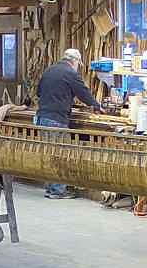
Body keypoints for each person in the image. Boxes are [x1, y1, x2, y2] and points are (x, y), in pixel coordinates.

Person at [35, 48, 102, 199]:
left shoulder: (49, 70)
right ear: (75, 61)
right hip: (56, 119)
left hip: (42, 117)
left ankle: (51, 188)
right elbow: (83, 92)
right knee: (59, 155)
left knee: (49, 154)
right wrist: (96, 106)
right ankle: (58, 191)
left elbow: (38, 92)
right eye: (78, 64)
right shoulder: (70, 73)